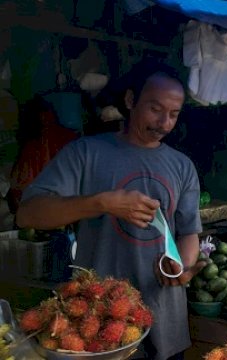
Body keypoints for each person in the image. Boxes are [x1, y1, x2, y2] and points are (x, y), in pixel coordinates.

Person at [16, 60, 205, 360]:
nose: (165, 123)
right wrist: (101, 203)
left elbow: (189, 232)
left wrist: (180, 265)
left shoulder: (182, 166)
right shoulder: (85, 153)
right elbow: (28, 214)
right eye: (155, 109)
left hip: (166, 320)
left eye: (174, 114)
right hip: (99, 321)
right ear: (130, 100)